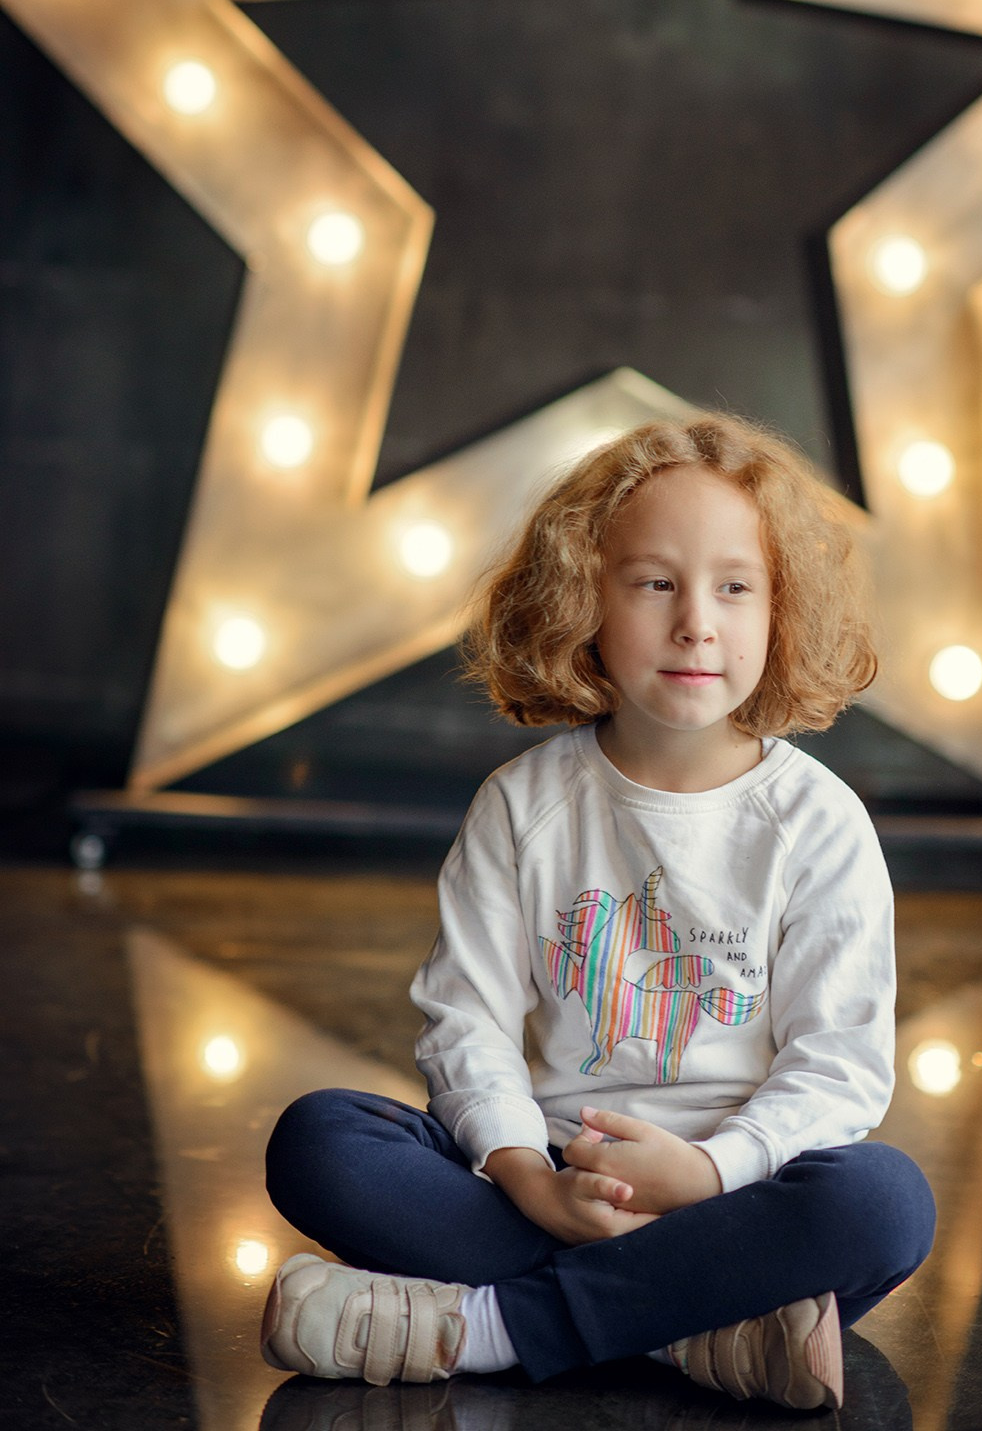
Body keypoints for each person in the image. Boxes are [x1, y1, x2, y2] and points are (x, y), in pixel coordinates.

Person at [260, 413, 937, 1410]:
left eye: (735, 586)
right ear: (583, 600)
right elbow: (468, 1021)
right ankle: (695, 1331)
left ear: (779, 610)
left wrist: (707, 1177)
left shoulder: (816, 823)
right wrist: (530, 1177)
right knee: (321, 1140)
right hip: (551, 1184)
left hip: (738, 1196)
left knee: (883, 1205)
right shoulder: (523, 806)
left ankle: (489, 1329)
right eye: (655, 582)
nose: (695, 620)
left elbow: (836, 1065)